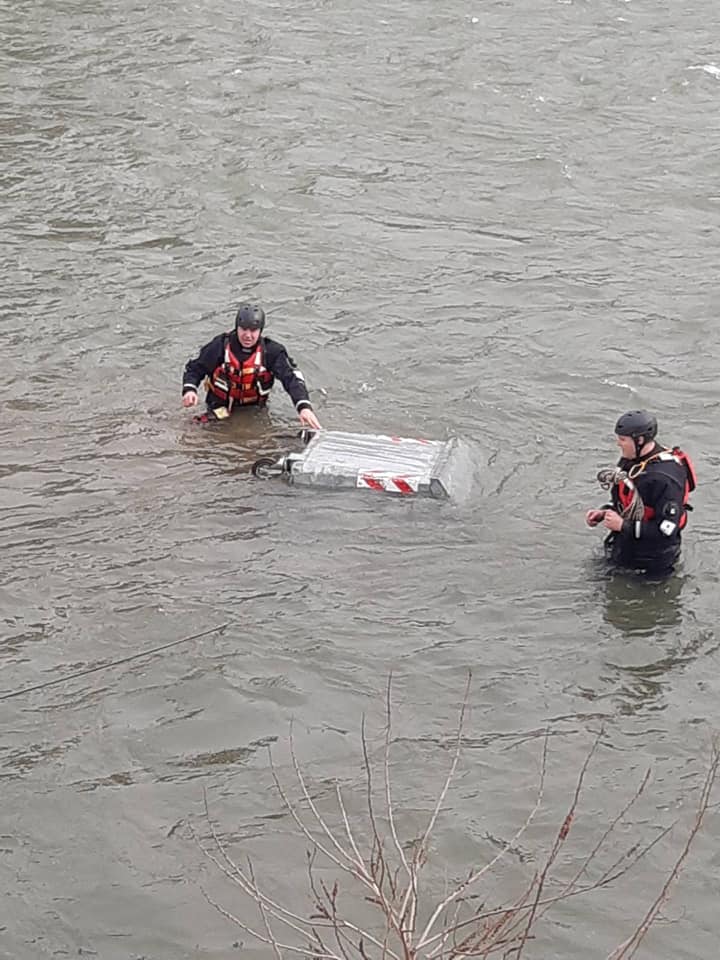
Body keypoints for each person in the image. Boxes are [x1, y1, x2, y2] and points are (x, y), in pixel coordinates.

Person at [585, 410, 696, 577]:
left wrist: (623, 526)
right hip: (624, 546)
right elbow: (625, 500)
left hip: (651, 562)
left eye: (623, 439)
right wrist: (605, 512)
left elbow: (667, 530)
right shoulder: (630, 461)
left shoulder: (665, 479)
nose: (618, 444)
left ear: (640, 440)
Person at [181, 303, 322, 429]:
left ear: (260, 330)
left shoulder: (272, 352)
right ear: (237, 327)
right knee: (192, 429)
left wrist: (304, 407)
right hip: (218, 407)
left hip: (253, 412)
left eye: (253, 330)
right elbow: (195, 368)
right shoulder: (220, 346)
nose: (248, 335)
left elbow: (292, 379)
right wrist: (190, 390)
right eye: (243, 329)